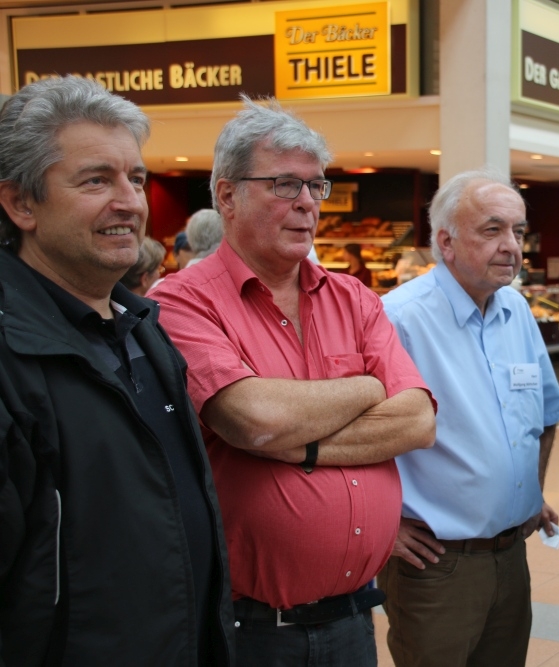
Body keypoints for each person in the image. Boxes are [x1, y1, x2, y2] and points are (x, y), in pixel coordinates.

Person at [150, 95, 436, 667]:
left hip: (353, 620)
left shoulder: (352, 297)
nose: (307, 202)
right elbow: (255, 420)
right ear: (227, 195)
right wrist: (367, 388)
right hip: (252, 632)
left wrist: (298, 446)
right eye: (284, 184)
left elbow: (418, 421)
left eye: (315, 186)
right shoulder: (181, 302)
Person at [0, 76, 234, 665]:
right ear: (20, 203)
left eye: (136, 178)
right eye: (96, 180)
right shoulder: (13, 356)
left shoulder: (144, 328)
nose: (130, 202)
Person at [379, 168, 559, 666]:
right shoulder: (399, 318)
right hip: (436, 566)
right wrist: (382, 526)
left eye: (518, 232)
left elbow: (547, 413)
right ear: (447, 242)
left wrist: (531, 491)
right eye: (493, 230)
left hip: (511, 555)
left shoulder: (516, 310)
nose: (512, 246)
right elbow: (355, 434)